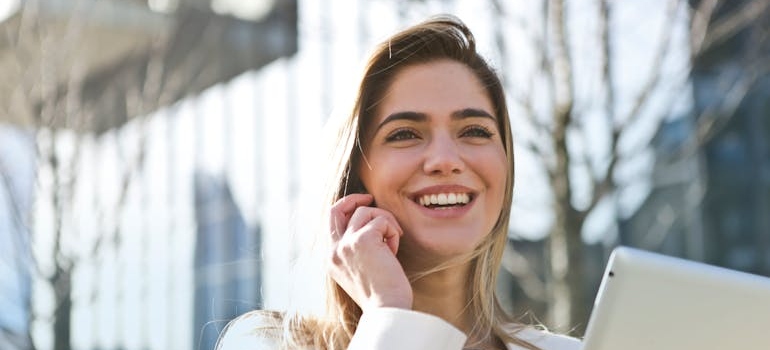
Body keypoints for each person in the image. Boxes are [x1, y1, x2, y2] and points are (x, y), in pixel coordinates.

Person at [217, 15, 581, 350]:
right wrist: (388, 314)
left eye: (474, 131)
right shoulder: (263, 344)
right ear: (356, 173)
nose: (445, 160)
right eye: (405, 133)